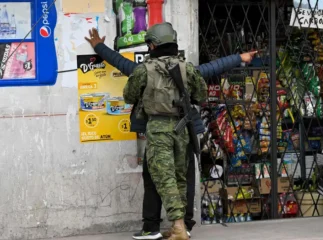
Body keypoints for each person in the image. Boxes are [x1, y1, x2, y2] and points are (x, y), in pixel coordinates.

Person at [85, 26, 256, 240]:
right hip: (184, 129)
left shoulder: (144, 69)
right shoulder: (187, 69)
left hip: (158, 129)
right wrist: (239, 57)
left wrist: (99, 47)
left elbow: (126, 83)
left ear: (153, 45)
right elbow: (209, 75)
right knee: (181, 178)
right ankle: (182, 225)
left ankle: (172, 227)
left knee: (162, 178)